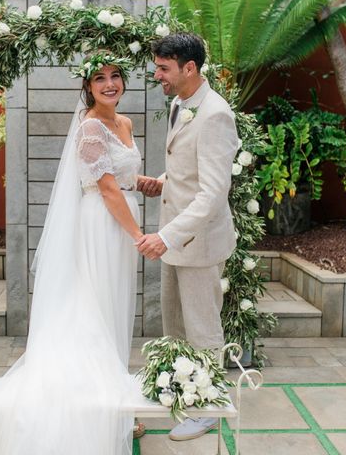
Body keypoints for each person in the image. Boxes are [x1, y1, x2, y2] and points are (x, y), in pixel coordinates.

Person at [0, 53, 144, 454]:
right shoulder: (90, 126)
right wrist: (139, 235)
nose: (109, 84)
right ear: (87, 86)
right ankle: (98, 408)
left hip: (119, 220)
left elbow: (119, 175)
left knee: (113, 307)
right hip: (102, 224)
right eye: (99, 78)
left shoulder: (125, 123)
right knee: (97, 308)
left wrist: (146, 182)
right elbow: (103, 188)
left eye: (115, 76)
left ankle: (118, 403)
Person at [136, 33, 239, 441]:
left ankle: (209, 407)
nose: (157, 74)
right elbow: (192, 172)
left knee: (203, 328)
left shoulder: (215, 114)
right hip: (178, 241)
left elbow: (214, 194)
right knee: (175, 327)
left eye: (163, 68)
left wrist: (166, 237)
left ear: (189, 68)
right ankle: (183, 393)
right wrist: (163, 182)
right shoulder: (182, 103)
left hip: (197, 243)